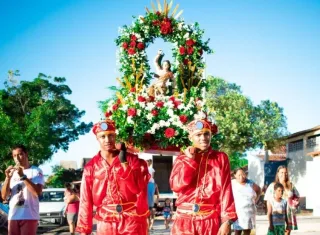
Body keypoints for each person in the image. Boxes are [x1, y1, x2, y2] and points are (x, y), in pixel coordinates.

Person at [75, 119, 150, 235]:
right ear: (97, 138)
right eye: (103, 136)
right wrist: (84, 229)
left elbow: (137, 189)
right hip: (105, 222)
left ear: (116, 136)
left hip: (131, 220)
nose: (107, 140)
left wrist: (124, 162)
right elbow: (85, 199)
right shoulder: (91, 167)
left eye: (111, 135)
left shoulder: (133, 160)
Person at [169, 118, 237, 235]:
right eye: (198, 135)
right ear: (191, 138)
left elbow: (226, 190)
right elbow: (176, 186)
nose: (203, 138)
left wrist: (227, 221)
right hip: (184, 221)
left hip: (210, 221)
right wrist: (190, 161)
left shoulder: (220, 158)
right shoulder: (182, 159)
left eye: (206, 134)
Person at [1, 144, 45, 235]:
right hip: (13, 215)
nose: (17, 158)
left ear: (26, 154)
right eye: (14, 156)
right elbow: (4, 196)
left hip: (29, 215)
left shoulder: (36, 171)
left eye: (20, 154)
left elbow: (37, 192)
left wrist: (22, 176)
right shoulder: (12, 173)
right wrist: (8, 178)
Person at [264, 165, 299, 235]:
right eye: (282, 172)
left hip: (289, 214)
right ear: (277, 174)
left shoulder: (291, 185)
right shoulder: (272, 186)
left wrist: (296, 202)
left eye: (285, 172)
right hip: (276, 216)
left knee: (287, 233)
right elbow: (268, 200)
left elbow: (297, 196)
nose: (284, 174)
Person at [232, 168, 261, 235]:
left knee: (247, 232)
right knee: (237, 231)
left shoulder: (250, 183)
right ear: (235, 175)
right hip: (238, 212)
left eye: (243, 174)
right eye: (239, 175)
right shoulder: (232, 183)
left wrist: (255, 200)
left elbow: (259, 190)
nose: (241, 177)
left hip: (249, 212)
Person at [146, 158, 156, 230]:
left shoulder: (150, 169)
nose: (148, 163)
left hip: (149, 183)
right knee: (149, 196)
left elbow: (152, 176)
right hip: (149, 183)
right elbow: (152, 177)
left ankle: (149, 205)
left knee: (149, 196)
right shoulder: (149, 168)